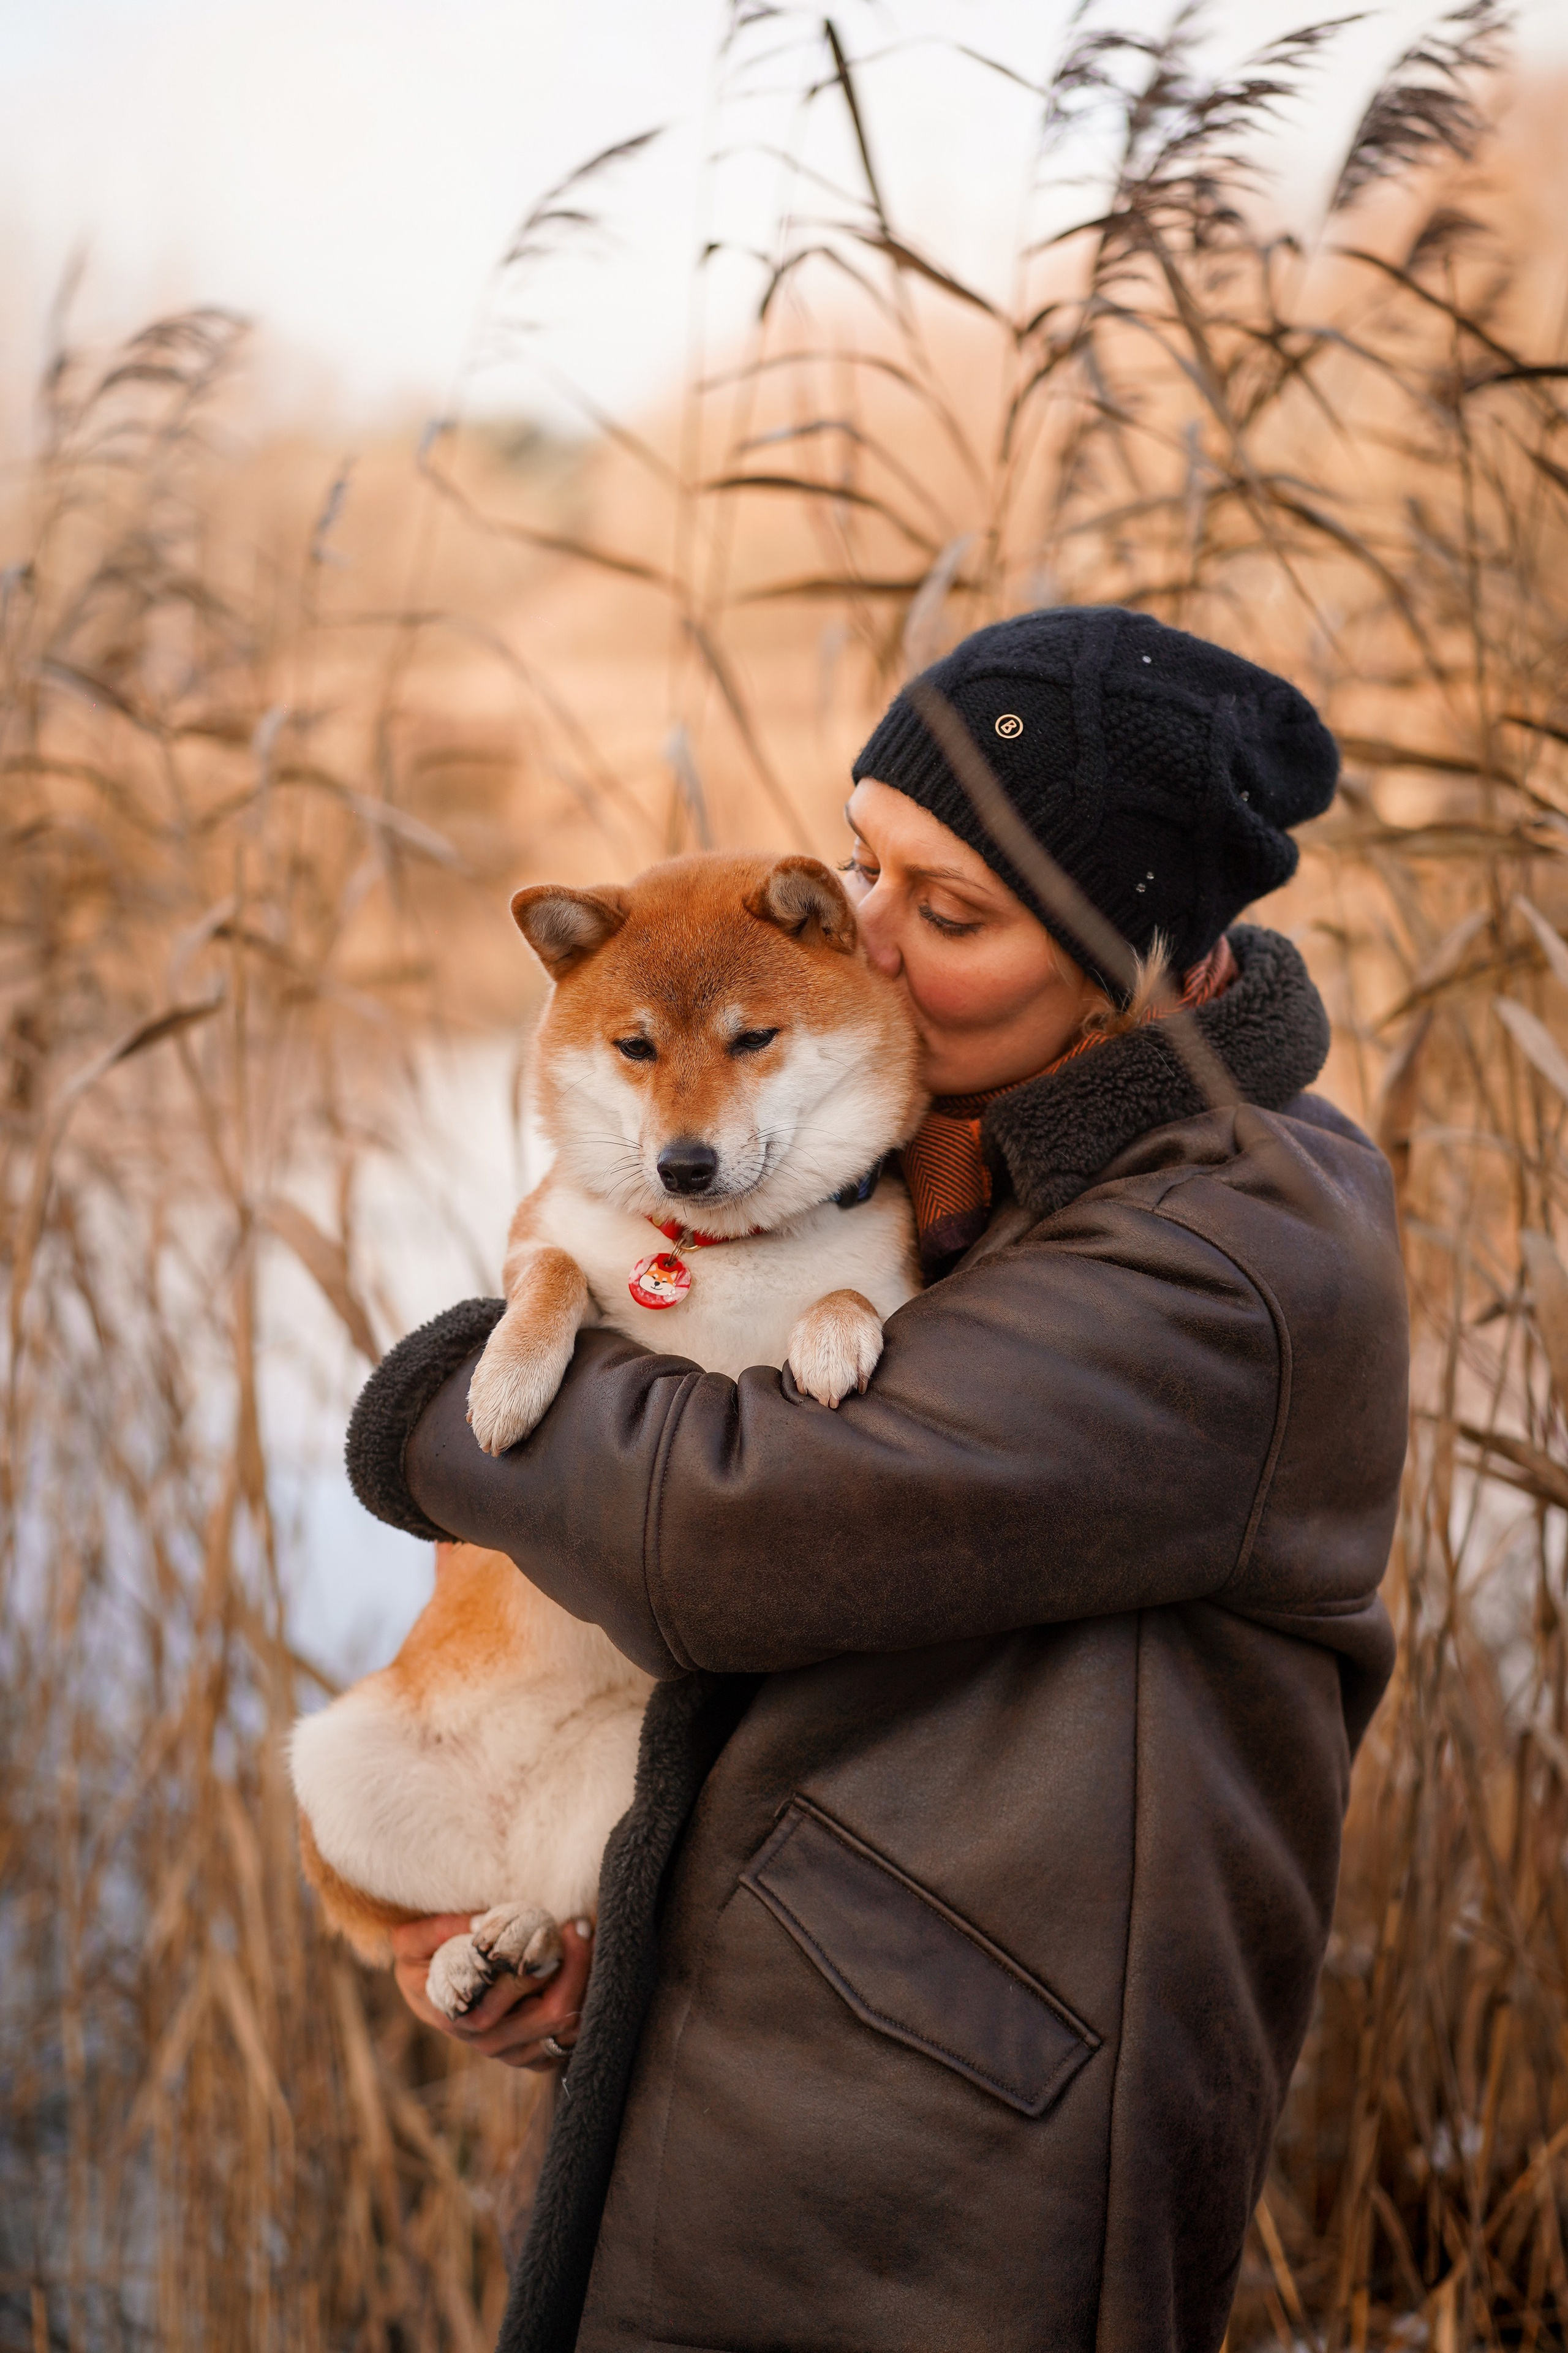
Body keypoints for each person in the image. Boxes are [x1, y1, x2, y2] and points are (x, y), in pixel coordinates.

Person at [347, 606, 1408, 2353]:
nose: (869, 943)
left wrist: (433, 1405)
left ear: (1141, 955)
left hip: (972, 2175)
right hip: (797, 2056)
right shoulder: (973, 1151)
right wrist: (597, 1913)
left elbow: (730, 1534)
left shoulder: (1235, 1262)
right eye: (866, 869)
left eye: (958, 912)